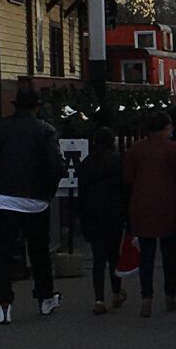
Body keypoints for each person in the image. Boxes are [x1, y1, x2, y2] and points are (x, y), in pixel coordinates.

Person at [0, 83, 64, 326]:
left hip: (2, 200)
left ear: (15, 105)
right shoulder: (45, 131)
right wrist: (47, 191)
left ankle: (3, 305)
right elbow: (56, 166)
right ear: (37, 107)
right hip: (35, 202)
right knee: (39, 252)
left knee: (2, 253)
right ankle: (45, 298)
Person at [122, 108, 176, 317]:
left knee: (147, 255)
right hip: (168, 206)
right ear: (166, 127)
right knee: (169, 255)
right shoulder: (174, 149)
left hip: (141, 207)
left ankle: (146, 298)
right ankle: (170, 296)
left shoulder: (135, 149)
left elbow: (127, 179)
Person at [77, 122, 128, 314]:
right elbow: (125, 189)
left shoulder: (86, 164)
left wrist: (81, 217)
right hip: (114, 213)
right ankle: (116, 292)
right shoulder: (118, 162)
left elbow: (81, 194)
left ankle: (99, 299)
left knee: (98, 257)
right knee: (114, 254)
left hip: (92, 214)